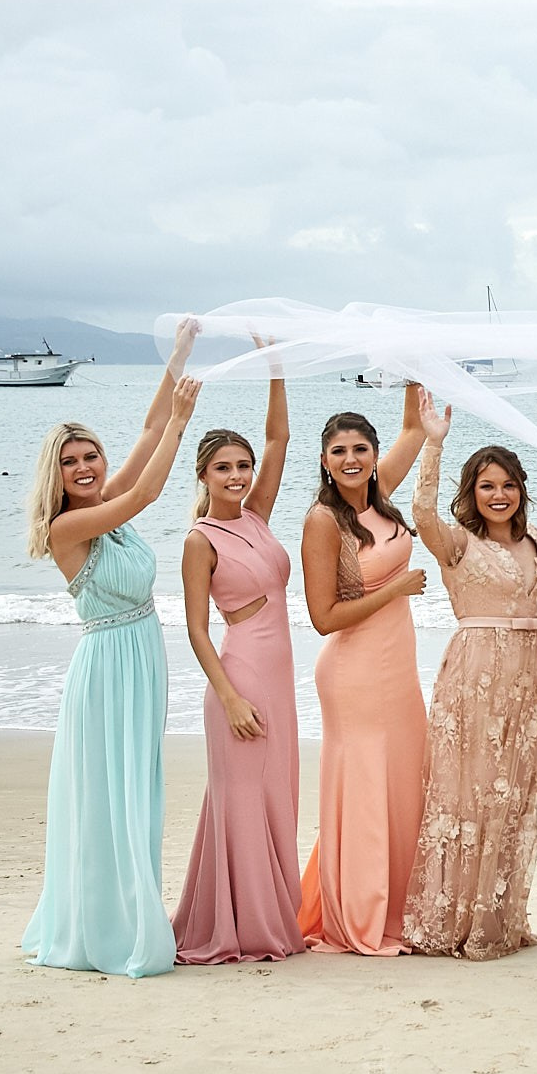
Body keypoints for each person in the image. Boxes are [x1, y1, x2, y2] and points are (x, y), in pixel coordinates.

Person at [21, 322, 202, 978]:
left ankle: (127, 908)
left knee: (135, 794)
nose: (86, 466)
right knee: (108, 798)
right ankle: (106, 926)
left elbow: (148, 437)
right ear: (57, 473)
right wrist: (185, 422)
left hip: (140, 663)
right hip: (105, 674)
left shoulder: (108, 509)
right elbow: (149, 489)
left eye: (91, 455)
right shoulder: (69, 526)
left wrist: (176, 363)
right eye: (72, 461)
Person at [404, 393, 537, 959]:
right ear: (472, 494)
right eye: (486, 486)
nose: (498, 495)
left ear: (521, 489)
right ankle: (455, 920)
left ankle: (500, 916)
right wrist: (433, 441)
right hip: (476, 674)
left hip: (529, 678)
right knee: (469, 794)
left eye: (507, 485)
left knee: (513, 796)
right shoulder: (459, 544)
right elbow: (422, 512)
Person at [170, 342, 303, 963]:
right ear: (203, 476)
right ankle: (242, 929)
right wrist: (229, 698)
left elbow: (279, 438)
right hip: (241, 675)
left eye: (243, 466)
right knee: (242, 801)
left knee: (276, 796)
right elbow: (197, 628)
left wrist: (274, 366)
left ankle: (269, 917)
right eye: (224, 468)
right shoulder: (201, 540)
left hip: (281, 674)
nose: (238, 477)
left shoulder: (258, 516)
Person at [295, 393, 429, 956]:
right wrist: (394, 588)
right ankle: (361, 912)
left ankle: (402, 905)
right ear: (324, 460)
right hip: (353, 670)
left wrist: (410, 367)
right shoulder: (324, 521)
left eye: (361, 449)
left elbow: (414, 429)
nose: (351, 459)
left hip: (398, 668)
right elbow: (322, 618)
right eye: (338, 451)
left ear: (374, 456)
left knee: (403, 781)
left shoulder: (382, 498)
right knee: (369, 784)